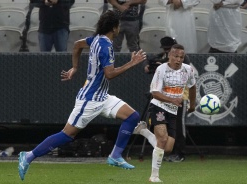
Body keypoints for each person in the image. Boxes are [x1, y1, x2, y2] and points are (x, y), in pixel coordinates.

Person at [18, 10, 147, 181]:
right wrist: (132, 63)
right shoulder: (106, 46)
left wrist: (75, 68)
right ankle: (28, 156)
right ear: (114, 28)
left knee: (132, 116)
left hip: (102, 96)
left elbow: (77, 45)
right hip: (89, 100)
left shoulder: (96, 40)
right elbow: (109, 74)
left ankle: (115, 155)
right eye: (118, 26)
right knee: (67, 135)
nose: (119, 29)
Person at [134, 44, 196, 182]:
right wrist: (172, 99)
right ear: (169, 56)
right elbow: (154, 93)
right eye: (176, 56)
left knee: (167, 149)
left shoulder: (188, 70)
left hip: (173, 110)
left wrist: (192, 105)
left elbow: (192, 87)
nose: (179, 59)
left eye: (181, 57)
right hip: (159, 106)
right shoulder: (161, 69)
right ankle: (154, 176)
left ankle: (144, 131)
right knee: (162, 139)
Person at [142, 36, 190, 162]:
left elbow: (188, 78)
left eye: (169, 49)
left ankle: (180, 153)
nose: (168, 51)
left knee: (179, 125)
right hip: (163, 98)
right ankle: (166, 150)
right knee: (163, 126)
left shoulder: (183, 59)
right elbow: (149, 62)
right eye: (166, 49)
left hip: (180, 96)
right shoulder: (162, 58)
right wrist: (148, 65)